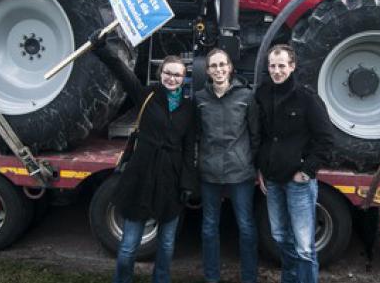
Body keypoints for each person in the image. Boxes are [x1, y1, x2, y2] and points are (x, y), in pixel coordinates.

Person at [90, 32, 196, 283]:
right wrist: (101, 48)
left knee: (167, 245)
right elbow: (122, 72)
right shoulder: (146, 95)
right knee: (128, 246)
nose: (172, 78)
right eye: (168, 73)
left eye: (177, 74)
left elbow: (191, 147)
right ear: (161, 74)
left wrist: (188, 184)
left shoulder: (189, 108)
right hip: (141, 176)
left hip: (171, 181)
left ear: (184, 78)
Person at [255, 44, 334, 283]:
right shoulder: (262, 94)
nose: (276, 71)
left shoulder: (307, 98)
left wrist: (307, 171)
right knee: (280, 236)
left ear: (292, 66)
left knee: (304, 246)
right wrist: (261, 168)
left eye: (281, 66)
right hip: (272, 179)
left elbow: (326, 140)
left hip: (298, 182)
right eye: (272, 66)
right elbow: (262, 136)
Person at [195, 48, 259, 283]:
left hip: (239, 173)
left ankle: (249, 278)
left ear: (230, 67)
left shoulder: (246, 97)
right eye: (213, 66)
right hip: (209, 172)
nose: (219, 70)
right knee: (209, 227)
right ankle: (212, 277)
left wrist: (254, 166)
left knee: (246, 227)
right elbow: (196, 134)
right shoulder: (200, 99)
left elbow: (255, 134)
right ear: (208, 70)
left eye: (223, 65)